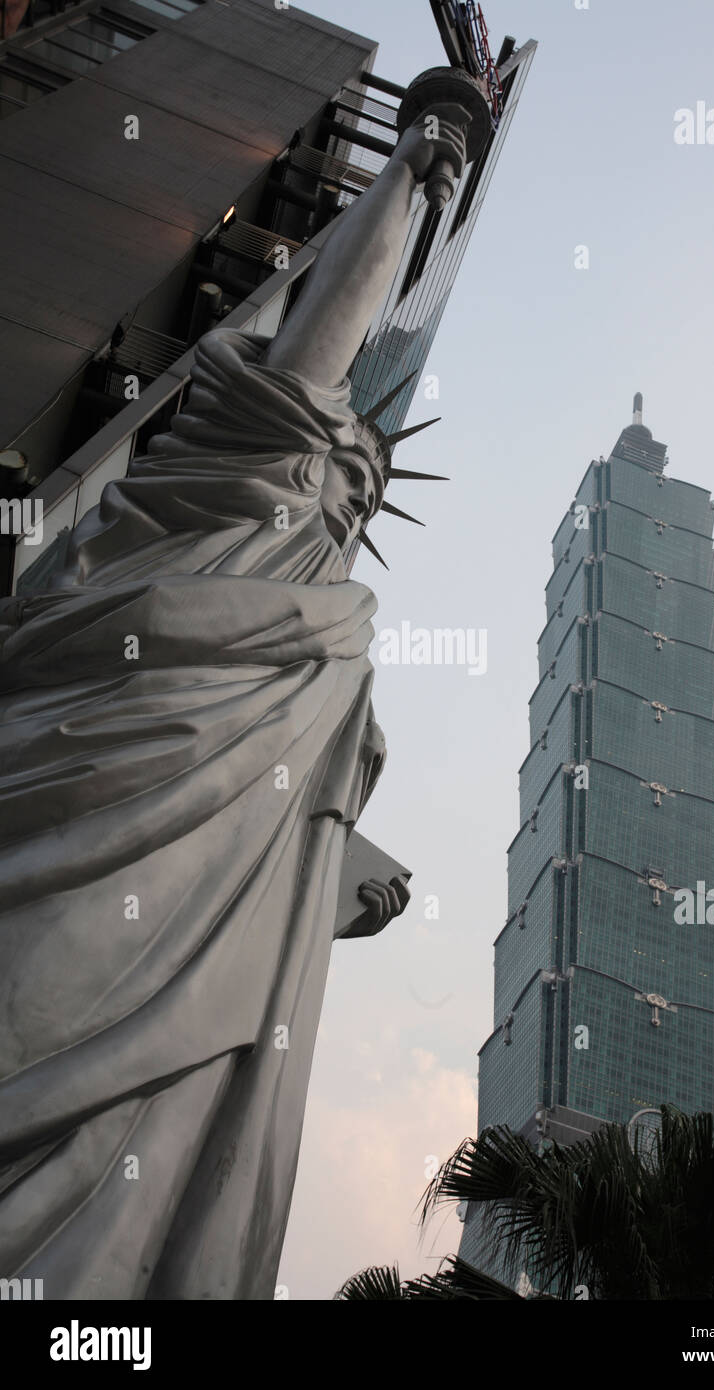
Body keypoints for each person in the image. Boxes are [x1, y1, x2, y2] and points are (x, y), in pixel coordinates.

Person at [0, 104, 467, 1299]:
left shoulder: (324, 639)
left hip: (197, 901)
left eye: (362, 479)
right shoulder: (241, 479)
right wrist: (410, 172)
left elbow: (287, 839)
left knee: (140, 1142)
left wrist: (349, 874)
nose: (357, 485)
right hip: (95, 806)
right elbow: (326, 331)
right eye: (345, 460)